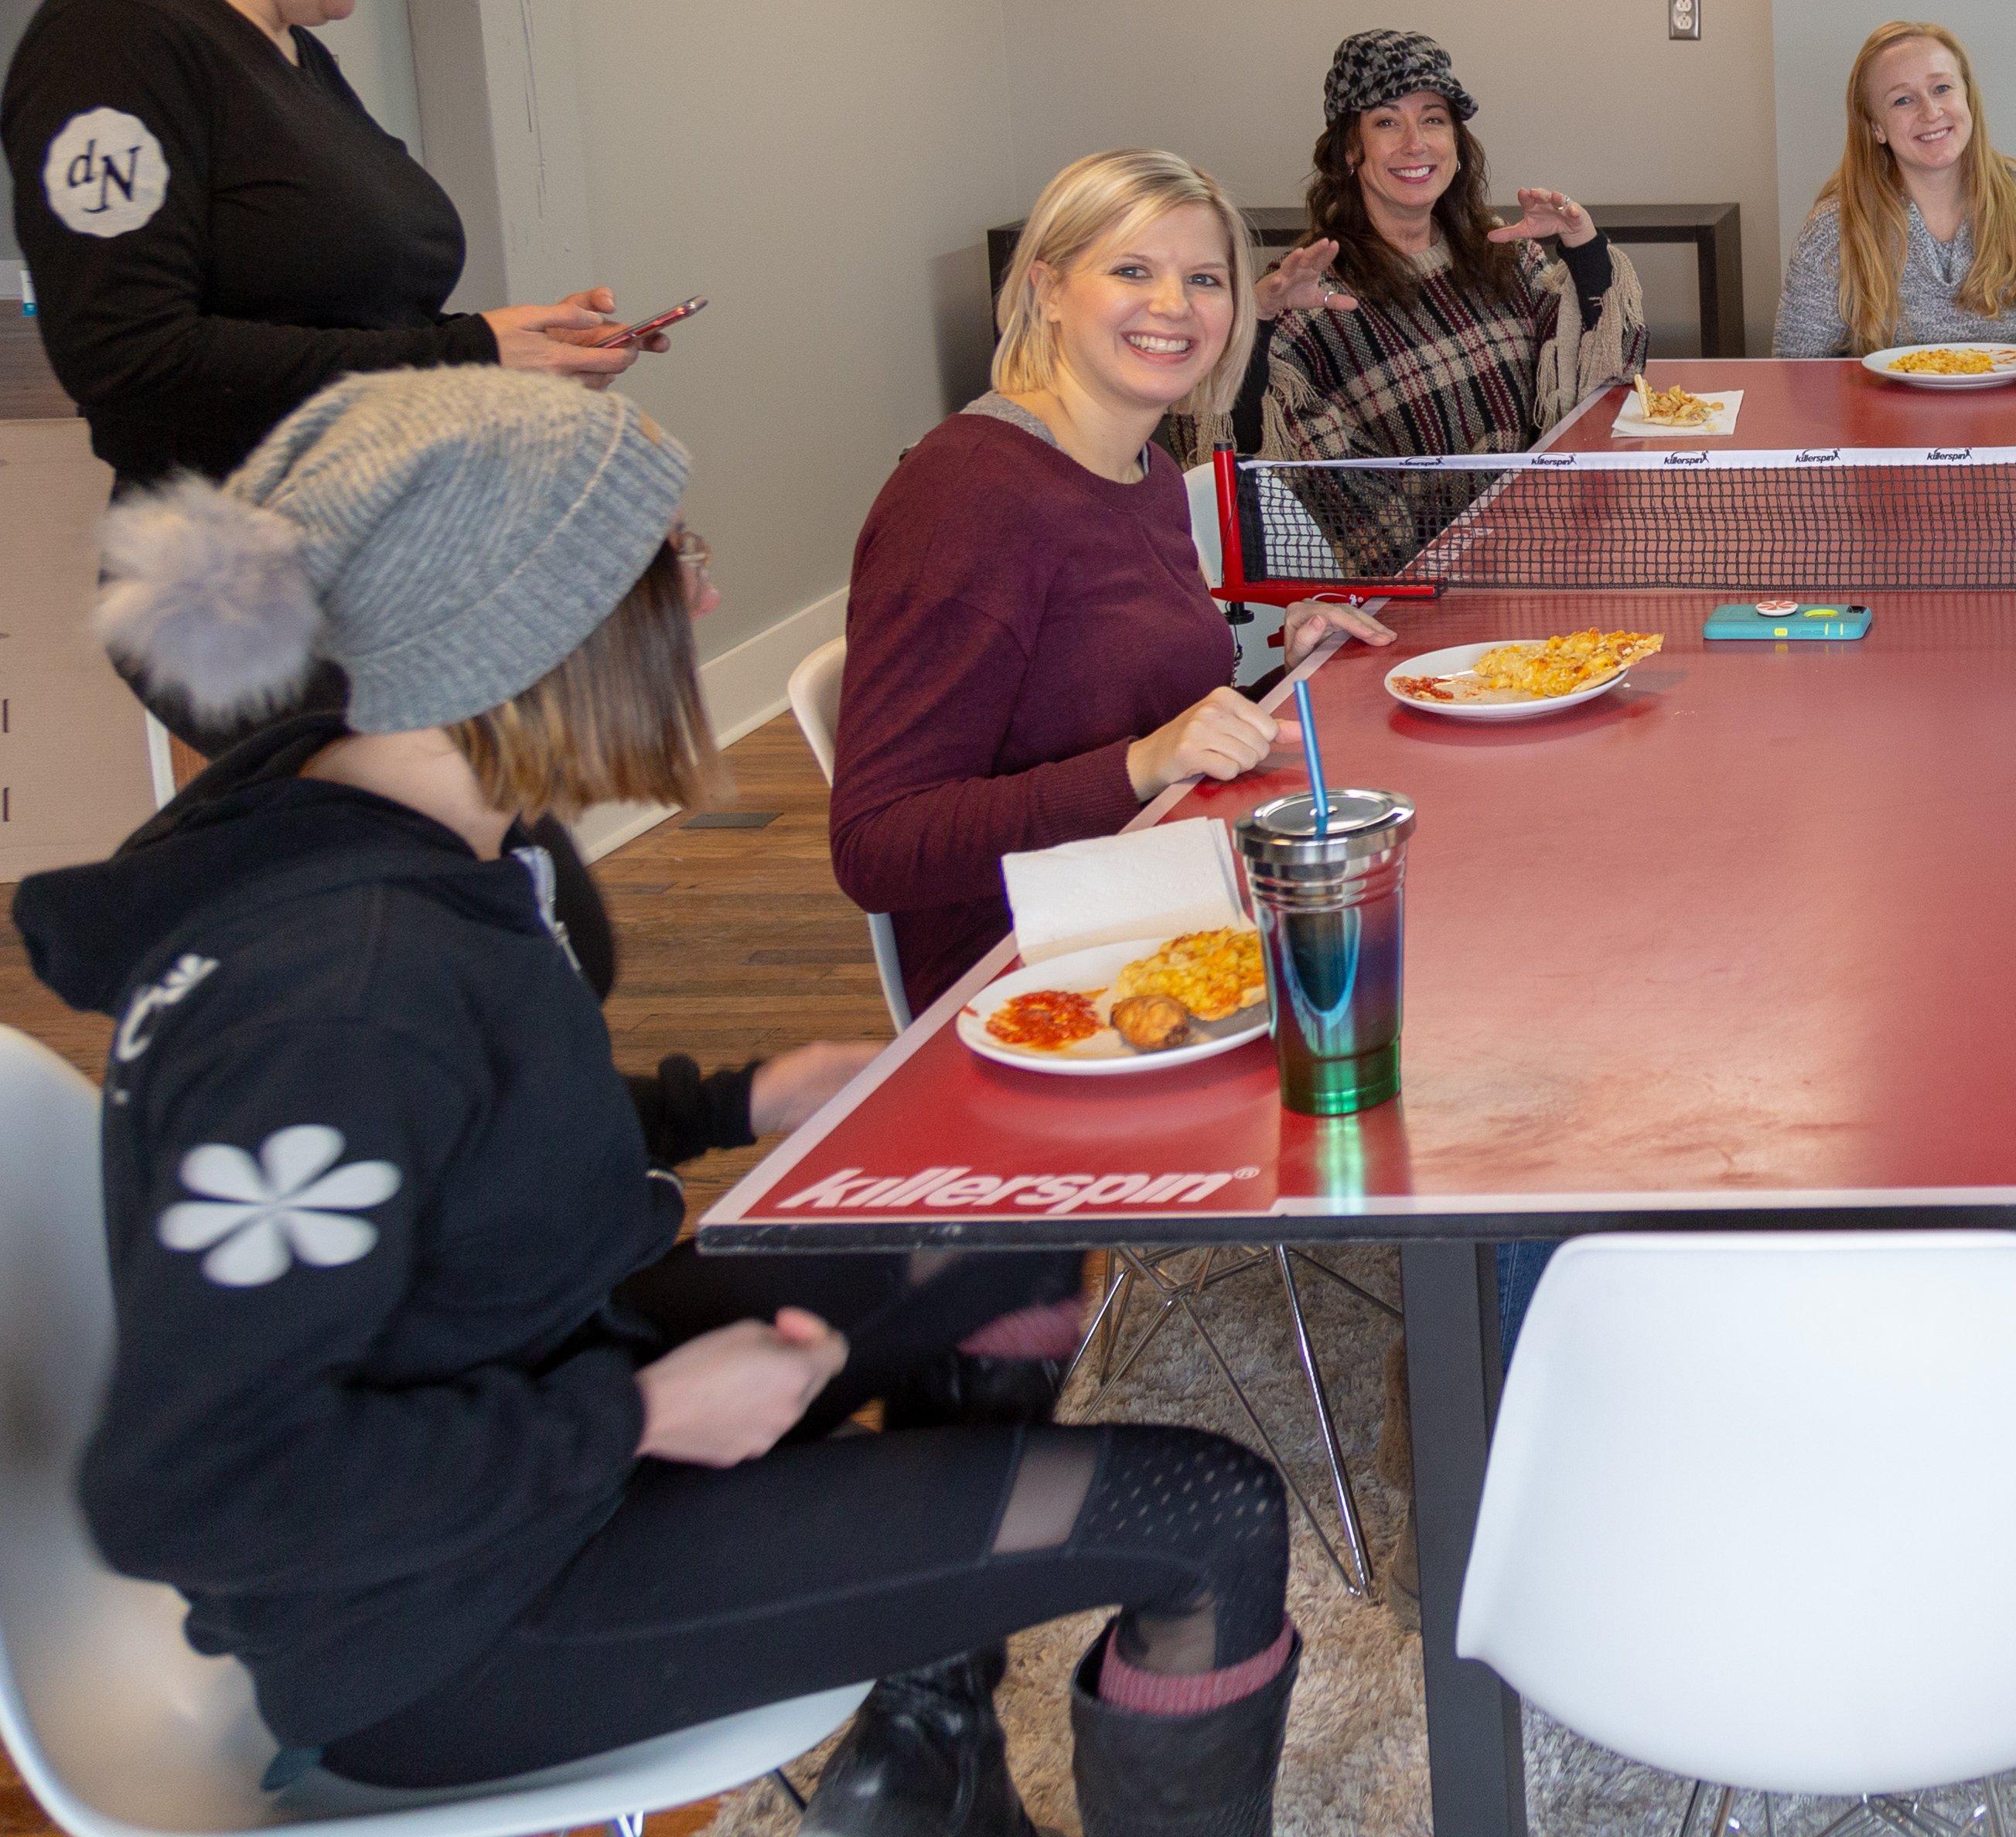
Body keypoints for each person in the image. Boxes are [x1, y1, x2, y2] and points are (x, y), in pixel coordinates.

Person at [19, 369, 1305, 1837]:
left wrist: (737, 1096)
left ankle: (929, 1757)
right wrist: (632, 1416)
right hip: (445, 1628)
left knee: (1000, 1215)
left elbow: (467, 1136)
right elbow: (193, 1488)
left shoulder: (406, 840)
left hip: (528, 1390)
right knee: (1207, 1518)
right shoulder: (338, 994)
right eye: (666, 569)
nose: (699, 607)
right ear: (525, 634)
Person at [3, 0, 637, 499]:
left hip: (364, 530)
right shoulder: (114, 40)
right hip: (236, 574)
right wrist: (466, 355)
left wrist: (519, 352)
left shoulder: (286, 47)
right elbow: (130, 358)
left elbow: (329, 325)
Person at [832, 150, 1390, 1007]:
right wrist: (1142, 764)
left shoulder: (1144, 470)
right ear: (1048, 291)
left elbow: (1130, 714)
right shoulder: (964, 498)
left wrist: (1283, 679)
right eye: (1132, 270)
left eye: (1205, 279)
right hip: (1037, 983)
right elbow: (878, 846)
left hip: (1168, 895)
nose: (1173, 307)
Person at [1235, 28, 1646, 574]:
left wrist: (1584, 248)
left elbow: (1608, 377)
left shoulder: (1505, 257)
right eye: (1386, 122)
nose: (1415, 143)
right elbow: (1243, 459)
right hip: (1413, 594)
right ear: (1351, 149)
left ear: (1455, 142)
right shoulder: (1305, 295)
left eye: (1433, 119)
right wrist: (1253, 323)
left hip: (1550, 556)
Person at [1774, 19, 2016, 360]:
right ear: (1876, 127)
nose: (1931, 112)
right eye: (1903, 100)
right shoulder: (1833, 228)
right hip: (1874, 416)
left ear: (1967, 97)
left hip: (2015, 415)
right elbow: (1796, 375)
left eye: (1942, 89)